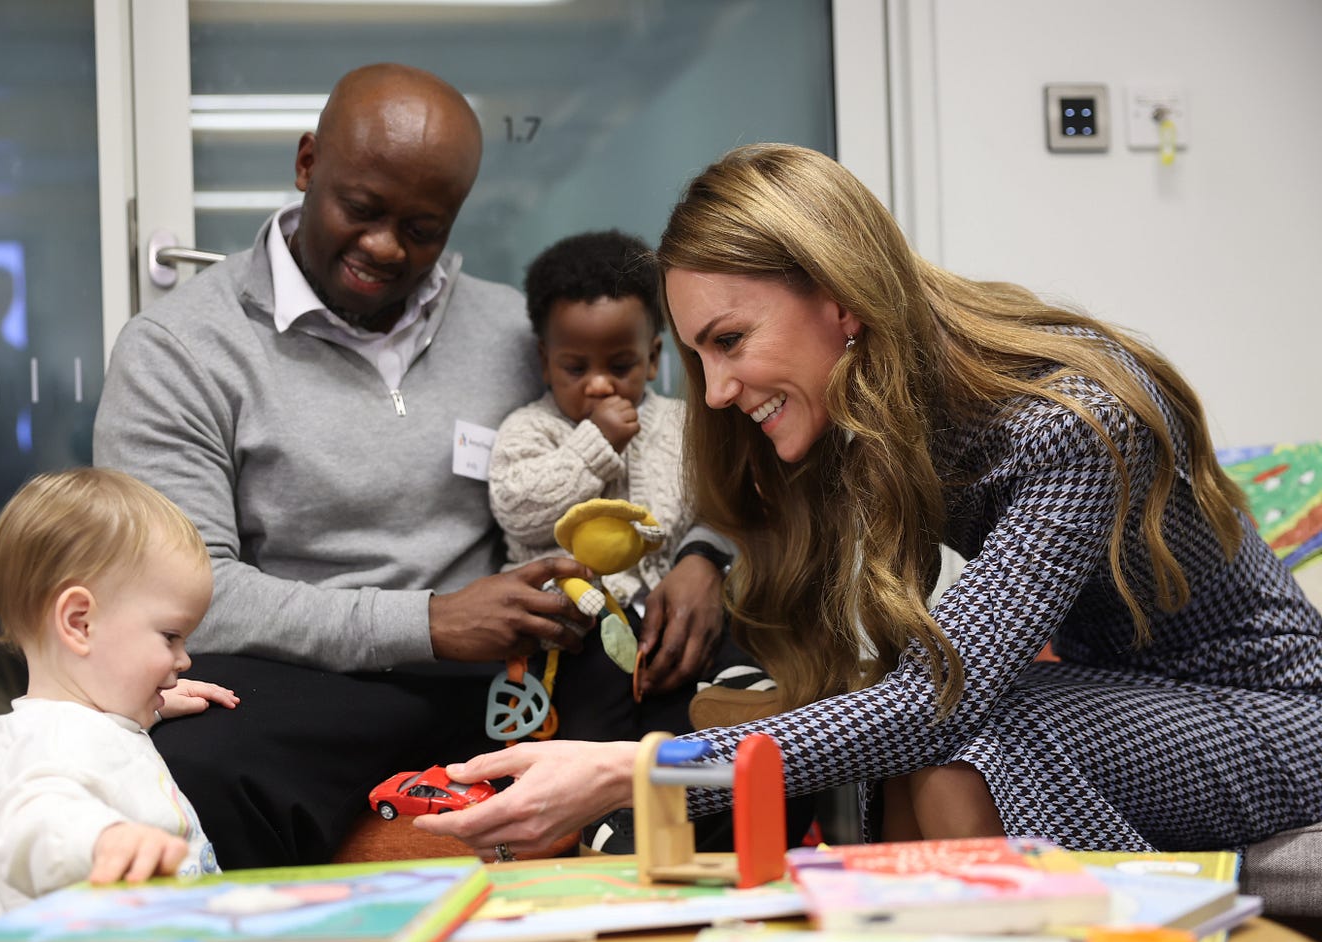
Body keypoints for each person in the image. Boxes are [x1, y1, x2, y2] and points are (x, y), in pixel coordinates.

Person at [417, 143, 1322, 863]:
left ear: (841, 299)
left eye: (730, 341)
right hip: (1122, 689)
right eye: (697, 358)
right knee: (929, 726)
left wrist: (635, 771)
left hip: (1274, 710)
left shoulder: (1073, 420)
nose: (719, 389)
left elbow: (936, 697)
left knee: (973, 731)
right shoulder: (875, 410)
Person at [93, 64, 722, 868]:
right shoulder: (181, 349)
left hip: (516, 666)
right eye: (361, 209)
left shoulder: (518, 333)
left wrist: (705, 552)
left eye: (424, 227)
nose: (386, 247)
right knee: (196, 767)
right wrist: (430, 621)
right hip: (307, 678)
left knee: (714, 717)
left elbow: (675, 447)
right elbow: (184, 599)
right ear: (307, 164)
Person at [489, 228, 769, 742]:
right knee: (596, 712)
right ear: (544, 362)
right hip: (580, 622)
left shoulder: (684, 424)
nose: (599, 383)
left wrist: (699, 558)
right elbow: (518, 509)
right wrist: (594, 443)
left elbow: (726, 505)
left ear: (655, 357)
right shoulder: (529, 429)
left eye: (621, 366)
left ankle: (741, 690)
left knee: (717, 650)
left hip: (669, 611)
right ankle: (607, 812)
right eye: (576, 367)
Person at [0, 468, 240, 916]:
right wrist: (103, 838)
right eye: (170, 636)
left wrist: (153, 707)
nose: (184, 659)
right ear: (80, 623)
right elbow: (31, 824)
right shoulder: (40, 740)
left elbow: (101, 747)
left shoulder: (89, 720)